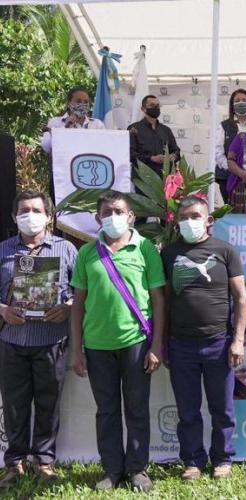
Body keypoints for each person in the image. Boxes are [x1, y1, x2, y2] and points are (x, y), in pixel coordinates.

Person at [70, 191, 166, 492]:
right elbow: (78, 305)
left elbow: (159, 300)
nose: (113, 217)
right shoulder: (87, 253)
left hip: (136, 343)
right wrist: (76, 350)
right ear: (98, 218)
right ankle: (112, 470)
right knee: (107, 410)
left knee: (136, 409)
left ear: (131, 217)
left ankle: (137, 469)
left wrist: (156, 346)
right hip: (97, 346)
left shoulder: (145, 249)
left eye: (119, 211)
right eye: (107, 212)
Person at [161, 195, 246, 481]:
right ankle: (193, 461)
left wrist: (238, 340)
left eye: (195, 216)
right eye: (184, 217)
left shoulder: (225, 251)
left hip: (219, 343)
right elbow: (164, 300)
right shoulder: (169, 254)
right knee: (187, 410)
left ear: (209, 220)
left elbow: (241, 299)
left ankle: (222, 458)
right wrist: (164, 344)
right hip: (181, 344)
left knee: (222, 408)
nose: (189, 222)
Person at [0, 192, 76, 488]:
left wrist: (68, 307)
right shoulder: (3, 250)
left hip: (52, 340)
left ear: (48, 216)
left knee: (49, 403)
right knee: (14, 405)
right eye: (23, 210)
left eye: (36, 210)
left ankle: (44, 460)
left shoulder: (66, 249)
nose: (29, 215)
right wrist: (3, 310)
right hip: (12, 340)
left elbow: (81, 292)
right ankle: (14, 462)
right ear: (14, 217)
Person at [215, 89, 246, 204]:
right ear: (232, 105)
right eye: (237, 101)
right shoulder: (224, 126)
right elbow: (218, 152)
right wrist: (233, 168)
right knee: (231, 209)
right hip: (227, 176)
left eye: (244, 100)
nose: (241, 103)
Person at [41, 86, 105, 154]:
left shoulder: (97, 125)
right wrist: (66, 128)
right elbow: (47, 147)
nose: (82, 104)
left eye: (86, 102)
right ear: (69, 103)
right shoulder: (55, 122)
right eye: (78, 101)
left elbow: (104, 147)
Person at [128, 95, 181, 175]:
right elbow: (130, 154)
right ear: (143, 109)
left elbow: (176, 150)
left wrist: (173, 156)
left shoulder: (166, 130)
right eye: (152, 105)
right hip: (143, 178)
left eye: (157, 105)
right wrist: (151, 158)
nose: (156, 108)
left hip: (165, 177)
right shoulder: (134, 128)